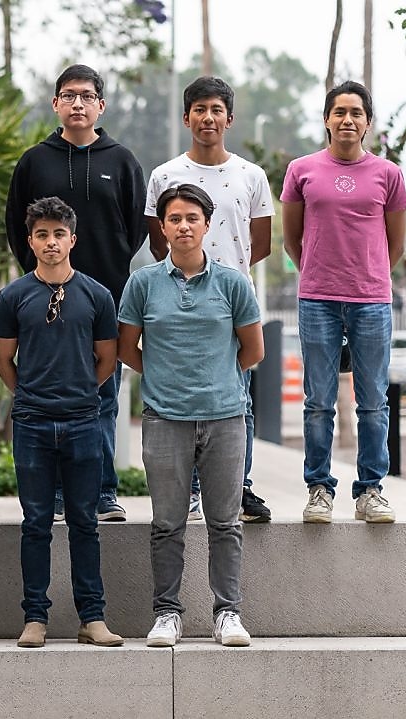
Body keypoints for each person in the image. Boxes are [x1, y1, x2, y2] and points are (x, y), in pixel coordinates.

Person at [118, 184, 263, 649]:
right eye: (174, 219)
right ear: (162, 228)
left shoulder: (233, 283)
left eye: (192, 219)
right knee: (167, 525)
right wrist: (165, 378)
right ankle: (166, 613)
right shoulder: (142, 284)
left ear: (207, 225)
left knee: (225, 523)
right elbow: (127, 349)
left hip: (225, 418)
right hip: (165, 419)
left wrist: (216, 379)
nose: (183, 226)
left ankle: (228, 613)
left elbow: (252, 350)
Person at [6, 64, 145, 523]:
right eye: (69, 96)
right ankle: (58, 497)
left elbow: (136, 226)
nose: (78, 104)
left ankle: (103, 492)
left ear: (100, 105)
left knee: (103, 390)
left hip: (106, 297)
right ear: (56, 105)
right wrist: (40, 275)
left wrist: (109, 270)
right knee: (47, 392)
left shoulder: (121, 160)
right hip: (43, 300)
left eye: (87, 96)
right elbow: (15, 225)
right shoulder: (35, 160)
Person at [0, 197, 123, 649]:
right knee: (36, 522)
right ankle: (35, 617)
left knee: (86, 521)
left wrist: (82, 390)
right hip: (31, 422)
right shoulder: (12, 296)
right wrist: (30, 393)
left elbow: (107, 358)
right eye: (42, 234)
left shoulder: (97, 294)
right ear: (30, 241)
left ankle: (93, 617)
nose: (51, 242)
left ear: (73, 238)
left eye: (59, 234)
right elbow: (2, 358)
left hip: (84, 420)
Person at [144, 77, 274, 524]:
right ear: (186, 118)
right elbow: (157, 245)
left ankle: (240, 487)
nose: (208, 117)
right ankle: (193, 492)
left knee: (240, 398)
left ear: (229, 118)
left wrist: (223, 279)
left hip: (230, 304)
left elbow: (262, 243)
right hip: (179, 301)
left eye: (216, 109)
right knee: (183, 402)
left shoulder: (251, 176)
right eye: (199, 109)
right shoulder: (165, 175)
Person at [282, 81, 406, 524]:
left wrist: (367, 275)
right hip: (316, 298)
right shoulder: (302, 170)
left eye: (356, 113)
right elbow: (292, 239)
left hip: (371, 301)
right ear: (326, 119)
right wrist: (319, 272)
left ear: (367, 122)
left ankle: (370, 491)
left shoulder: (388, 175)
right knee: (318, 400)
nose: (347, 120)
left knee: (373, 400)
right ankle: (319, 488)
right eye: (339, 112)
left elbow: (395, 243)